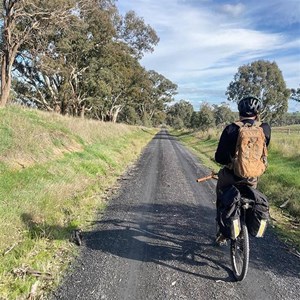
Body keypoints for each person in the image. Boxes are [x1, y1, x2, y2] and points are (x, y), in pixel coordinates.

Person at [214, 95, 271, 244]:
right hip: (252, 177)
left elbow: (219, 157)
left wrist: (231, 161)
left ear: (239, 112)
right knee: (251, 197)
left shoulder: (231, 128)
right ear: (257, 112)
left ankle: (224, 232)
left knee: (222, 198)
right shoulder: (265, 129)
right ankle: (248, 223)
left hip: (231, 175)